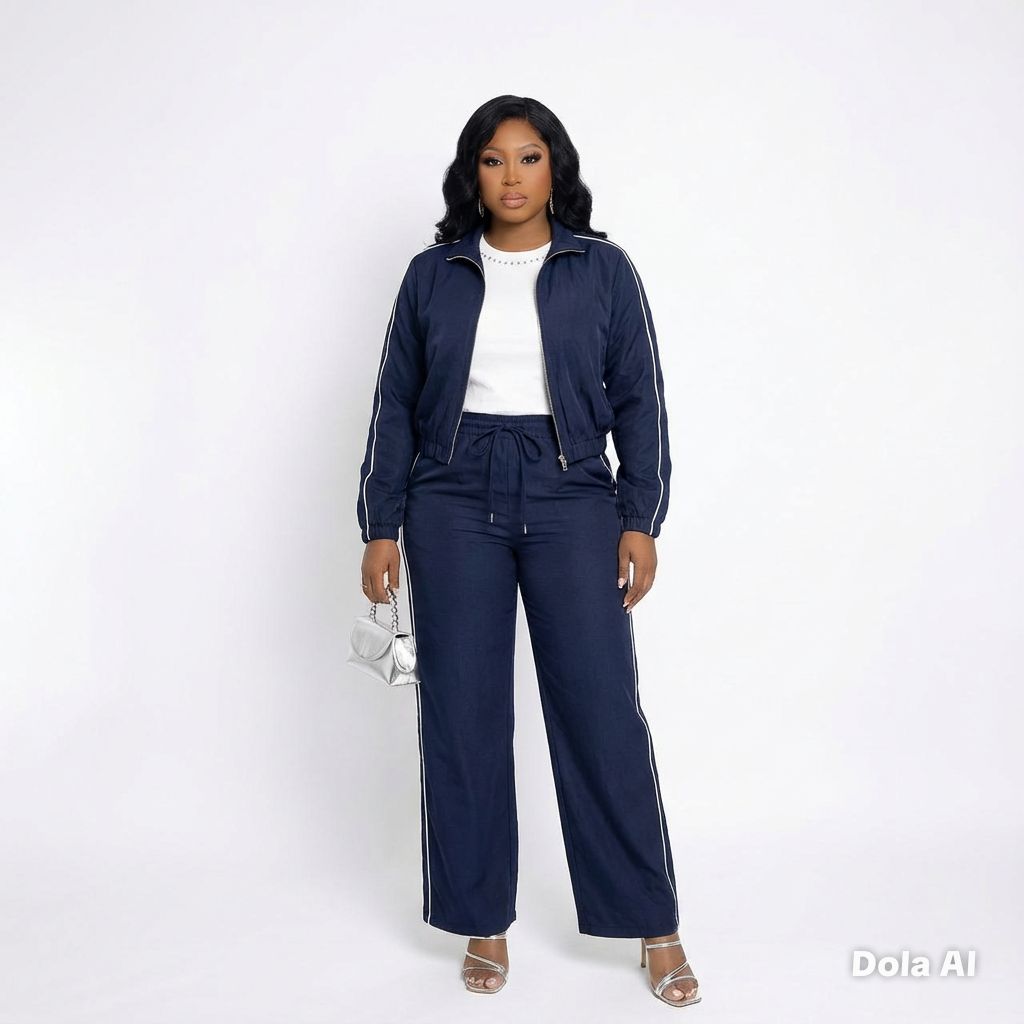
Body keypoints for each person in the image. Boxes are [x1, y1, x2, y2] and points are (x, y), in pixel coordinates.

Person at [356, 95, 700, 1008]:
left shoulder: (601, 268)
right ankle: (483, 920)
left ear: (556, 169)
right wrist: (380, 523)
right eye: (493, 159)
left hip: (570, 490)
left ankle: (653, 922)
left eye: (529, 157)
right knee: (463, 715)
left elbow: (641, 396)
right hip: (450, 494)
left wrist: (640, 515)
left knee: (601, 710)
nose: (512, 176)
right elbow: (395, 403)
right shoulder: (433, 275)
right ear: (472, 174)